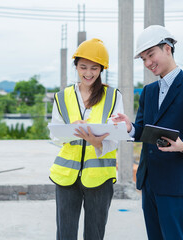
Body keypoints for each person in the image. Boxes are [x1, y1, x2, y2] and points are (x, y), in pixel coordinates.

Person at [112, 25, 183, 240]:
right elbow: (142, 131)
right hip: (148, 180)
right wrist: (129, 127)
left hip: (173, 180)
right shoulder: (149, 91)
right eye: (143, 59)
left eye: (150, 55)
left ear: (167, 49)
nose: (148, 63)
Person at [49, 38, 125, 240]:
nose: (88, 73)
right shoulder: (62, 96)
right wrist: (69, 131)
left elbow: (117, 135)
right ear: (76, 66)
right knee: (65, 234)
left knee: (95, 234)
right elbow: (54, 135)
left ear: (102, 69)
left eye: (94, 68)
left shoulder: (113, 96)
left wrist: (98, 142)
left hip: (100, 178)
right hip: (66, 176)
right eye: (83, 67)